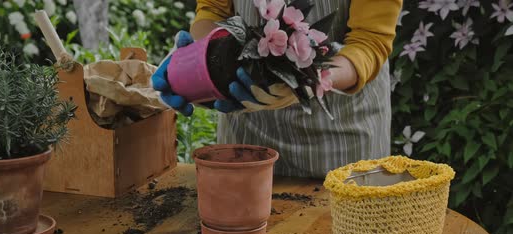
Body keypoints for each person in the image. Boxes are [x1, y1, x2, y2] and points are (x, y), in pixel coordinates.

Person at [153, 0, 402, 178]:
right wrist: (200, 60)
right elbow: (213, 10)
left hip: (343, 134)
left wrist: (312, 80)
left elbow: (369, 41)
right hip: (248, 128)